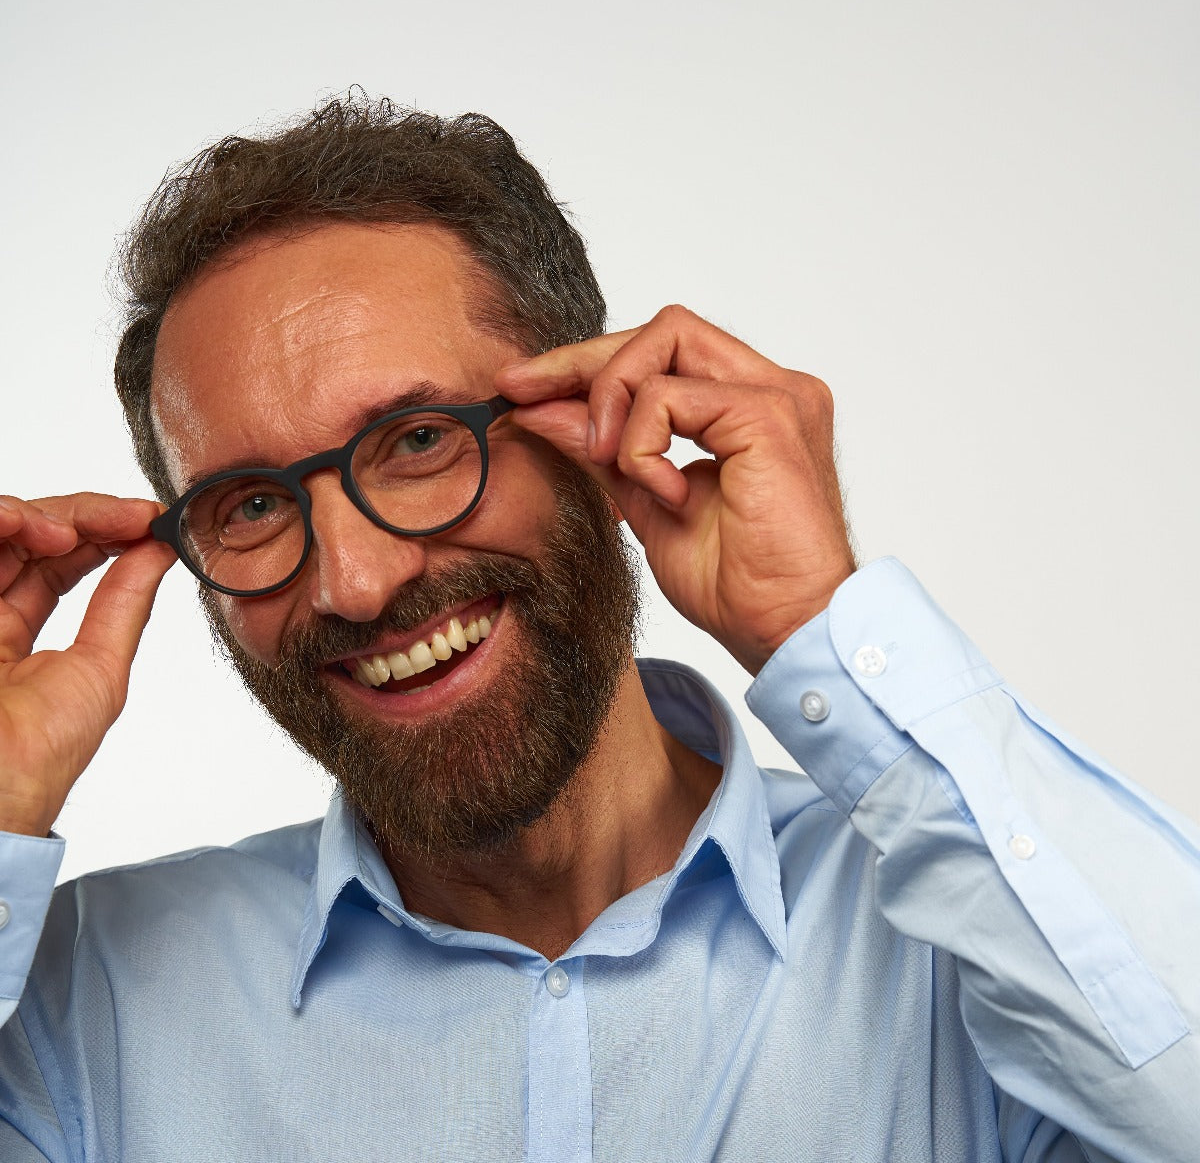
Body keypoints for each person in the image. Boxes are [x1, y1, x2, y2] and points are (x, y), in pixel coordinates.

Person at [0, 95, 1196, 1162]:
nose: (354, 584)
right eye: (252, 506)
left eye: (419, 442)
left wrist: (821, 627)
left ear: (594, 420)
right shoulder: (81, 1009)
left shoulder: (968, 942)